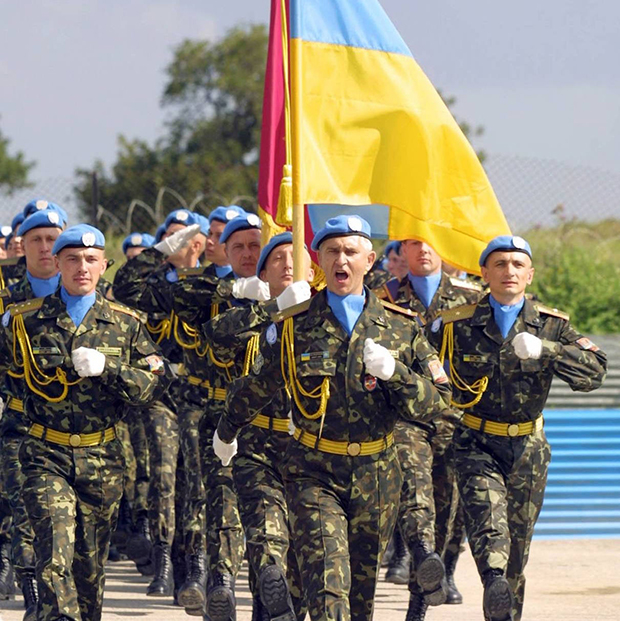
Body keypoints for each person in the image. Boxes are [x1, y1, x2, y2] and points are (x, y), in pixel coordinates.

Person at [218, 215, 452, 621]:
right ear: (319, 261)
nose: (341, 260)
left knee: (360, 600)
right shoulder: (295, 325)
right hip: (314, 472)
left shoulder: (402, 328)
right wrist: (227, 430)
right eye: (331, 251)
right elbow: (258, 384)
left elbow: (439, 405)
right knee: (329, 586)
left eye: (350, 252)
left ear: (370, 260)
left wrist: (397, 375)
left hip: (378, 475)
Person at [431, 235, 607, 621]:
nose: (508, 271)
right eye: (499, 264)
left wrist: (549, 350)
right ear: (484, 273)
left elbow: (594, 374)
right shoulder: (455, 324)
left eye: (516, 264)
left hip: (529, 446)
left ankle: (504, 607)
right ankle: (492, 576)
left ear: (529, 274)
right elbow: (418, 359)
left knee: (518, 549)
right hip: (477, 440)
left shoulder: (551, 325)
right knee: (489, 530)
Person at [0, 224, 170, 621]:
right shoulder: (22, 322)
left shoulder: (126, 323)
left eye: (91, 260)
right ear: (57, 263)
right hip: (45, 453)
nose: (82, 267)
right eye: (72, 259)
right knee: (54, 558)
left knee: (88, 572)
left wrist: (109, 369)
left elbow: (155, 385)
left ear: (104, 266)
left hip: (103, 456)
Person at [206, 232, 313, 621]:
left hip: (310, 447)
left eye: (296, 256)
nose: (288, 264)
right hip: (255, 442)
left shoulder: (326, 317)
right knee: (266, 540)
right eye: (278, 258)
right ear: (263, 274)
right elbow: (215, 335)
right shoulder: (250, 315)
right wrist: (273, 309)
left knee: (303, 557)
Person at [379, 239, 483, 619]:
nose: (423, 250)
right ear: (401, 252)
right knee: (415, 494)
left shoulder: (471, 299)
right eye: (412, 243)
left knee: (450, 509)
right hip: (408, 419)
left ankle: (440, 577)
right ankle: (418, 584)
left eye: (430, 242)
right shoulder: (381, 296)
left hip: (456, 418)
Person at [113, 209, 205, 599]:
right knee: (164, 475)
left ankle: (193, 559)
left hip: (198, 397)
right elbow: (123, 285)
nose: (179, 243)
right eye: (171, 237)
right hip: (161, 398)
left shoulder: (209, 284)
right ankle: (163, 558)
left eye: (185, 237)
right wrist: (158, 252)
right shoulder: (155, 285)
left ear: (200, 244)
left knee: (194, 481)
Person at [0, 208, 67, 621]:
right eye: (36, 239)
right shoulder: (6, 295)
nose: (45, 247)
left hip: (73, 426)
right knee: (26, 509)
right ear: (21, 246)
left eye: (52, 239)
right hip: (20, 422)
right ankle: (33, 597)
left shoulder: (81, 291)